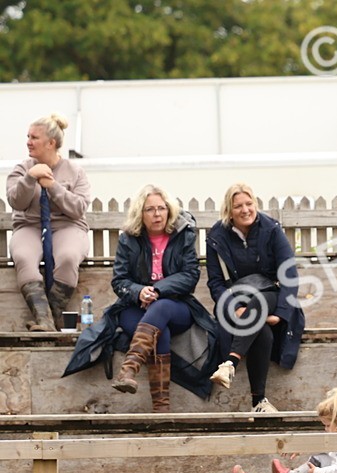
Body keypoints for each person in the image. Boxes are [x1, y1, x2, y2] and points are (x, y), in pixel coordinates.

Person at [63, 185, 222, 412]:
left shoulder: (183, 234)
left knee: (162, 306)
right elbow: (119, 280)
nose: (157, 214)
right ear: (141, 213)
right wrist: (139, 291)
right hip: (134, 307)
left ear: (168, 210)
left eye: (161, 208)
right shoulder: (129, 239)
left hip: (177, 306)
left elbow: (190, 275)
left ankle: (129, 369)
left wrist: (157, 290)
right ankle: (161, 407)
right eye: (150, 210)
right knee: (161, 332)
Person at [205, 182, 306, 414]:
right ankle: (258, 402)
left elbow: (289, 275)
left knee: (262, 301)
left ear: (255, 204)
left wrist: (280, 314)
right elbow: (215, 283)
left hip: (272, 295)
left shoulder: (271, 229)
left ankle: (230, 363)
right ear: (229, 210)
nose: (245, 210)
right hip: (237, 303)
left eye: (249, 204)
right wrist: (235, 307)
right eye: (238, 206)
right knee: (262, 332)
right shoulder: (217, 236)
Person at [6, 113, 91, 331]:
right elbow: (16, 201)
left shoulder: (75, 171)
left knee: (68, 257)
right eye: (28, 136)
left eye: (34, 137)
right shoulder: (22, 168)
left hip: (67, 226)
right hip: (30, 226)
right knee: (24, 257)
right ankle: (44, 319)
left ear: (51, 143)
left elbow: (78, 209)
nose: (28, 141)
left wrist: (52, 186)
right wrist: (29, 178)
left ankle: (48, 319)